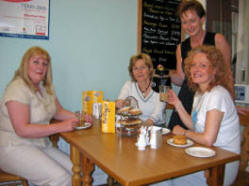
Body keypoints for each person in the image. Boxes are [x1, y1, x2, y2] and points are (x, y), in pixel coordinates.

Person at [0, 46, 92, 186]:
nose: (40, 67)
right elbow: (22, 130)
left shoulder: (45, 87)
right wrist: (60, 127)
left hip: (40, 144)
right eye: (36, 62)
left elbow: (58, 112)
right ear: (26, 64)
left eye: (44, 63)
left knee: (76, 173)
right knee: (61, 179)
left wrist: (80, 117)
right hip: (14, 147)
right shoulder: (17, 88)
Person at [163, 46, 240, 186]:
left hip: (221, 163)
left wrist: (184, 133)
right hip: (204, 154)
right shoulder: (199, 93)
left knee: (167, 179)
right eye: (193, 65)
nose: (196, 69)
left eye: (203, 65)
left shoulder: (218, 95)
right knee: (163, 173)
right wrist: (178, 104)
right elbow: (195, 125)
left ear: (215, 70)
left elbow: (208, 139)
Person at [168, 0, 233, 130]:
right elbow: (181, 79)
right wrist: (163, 74)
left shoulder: (217, 40)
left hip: (210, 98)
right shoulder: (181, 47)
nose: (189, 26)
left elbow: (227, 75)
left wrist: (231, 104)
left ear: (202, 20)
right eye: (185, 22)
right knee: (173, 136)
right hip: (187, 97)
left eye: (193, 21)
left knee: (203, 142)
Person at [115, 53, 166, 126]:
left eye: (143, 67)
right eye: (135, 68)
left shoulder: (163, 87)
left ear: (150, 69)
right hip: (134, 126)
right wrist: (119, 103)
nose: (139, 71)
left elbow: (158, 114)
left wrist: (143, 127)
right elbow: (120, 100)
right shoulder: (128, 85)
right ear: (132, 72)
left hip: (156, 129)